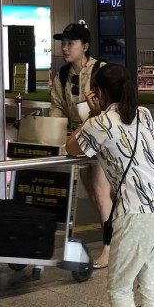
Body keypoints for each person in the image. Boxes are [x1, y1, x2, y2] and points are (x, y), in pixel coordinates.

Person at [67, 64, 154, 307]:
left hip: (136, 212)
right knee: (153, 288)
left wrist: (91, 115)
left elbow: (71, 147)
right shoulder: (144, 114)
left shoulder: (99, 123)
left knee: (119, 287)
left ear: (100, 92)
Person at [50, 21, 114, 268]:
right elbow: (57, 106)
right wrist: (55, 132)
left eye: (71, 43)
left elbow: (112, 103)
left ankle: (109, 247)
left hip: (101, 137)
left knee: (100, 191)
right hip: (79, 138)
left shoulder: (101, 70)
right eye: (63, 44)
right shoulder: (62, 75)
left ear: (85, 46)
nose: (65, 48)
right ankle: (114, 233)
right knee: (94, 194)